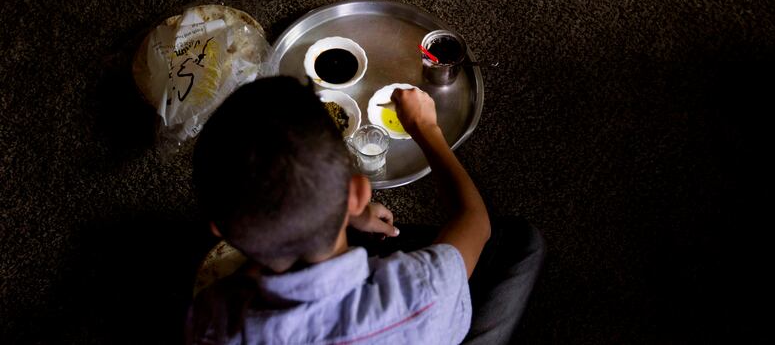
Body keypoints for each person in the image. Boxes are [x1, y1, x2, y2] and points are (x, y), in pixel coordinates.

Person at [187, 76, 544, 344]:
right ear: (359, 193)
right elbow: (474, 221)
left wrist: (347, 212)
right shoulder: (425, 290)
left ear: (220, 230)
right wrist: (426, 128)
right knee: (525, 242)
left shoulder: (211, 322)